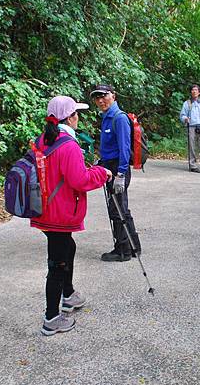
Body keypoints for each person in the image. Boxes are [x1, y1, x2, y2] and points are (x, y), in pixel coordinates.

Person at [31, 96, 111, 336]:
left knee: (68, 248)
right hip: (60, 213)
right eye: (77, 114)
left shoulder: (42, 140)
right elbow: (80, 180)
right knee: (57, 264)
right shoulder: (68, 145)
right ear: (70, 117)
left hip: (44, 210)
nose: (79, 118)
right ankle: (51, 319)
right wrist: (101, 172)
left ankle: (69, 294)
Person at [91, 84, 142, 262]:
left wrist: (120, 174)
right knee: (122, 209)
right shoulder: (106, 117)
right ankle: (134, 247)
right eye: (97, 98)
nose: (100, 100)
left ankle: (123, 251)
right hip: (109, 167)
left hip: (117, 170)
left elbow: (124, 149)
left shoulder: (118, 118)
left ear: (113, 95)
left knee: (117, 210)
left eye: (103, 96)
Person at [179, 84, 200, 172]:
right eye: (193, 90)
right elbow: (182, 115)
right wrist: (185, 119)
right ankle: (192, 165)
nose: (194, 91)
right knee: (192, 147)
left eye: (196, 90)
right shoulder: (187, 103)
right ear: (190, 92)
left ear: (199, 92)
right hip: (191, 127)